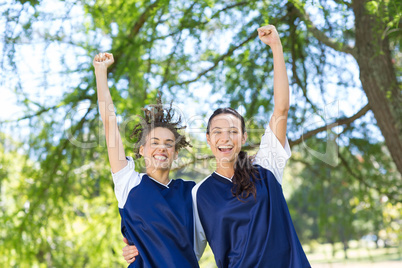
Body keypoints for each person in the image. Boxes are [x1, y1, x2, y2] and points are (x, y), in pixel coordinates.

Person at [122, 25, 311, 267]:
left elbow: (281, 108)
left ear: (243, 138)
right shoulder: (199, 194)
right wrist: (136, 248)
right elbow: (175, 241)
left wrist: (276, 47)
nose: (225, 138)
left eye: (233, 131)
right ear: (209, 140)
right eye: (218, 132)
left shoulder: (266, 166)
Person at [93, 52, 199, 267]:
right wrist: (100, 71)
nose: (162, 148)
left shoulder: (191, 193)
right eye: (155, 142)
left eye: (169, 144)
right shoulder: (129, 183)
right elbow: (109, 124)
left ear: (176, 153)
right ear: (141, 149)